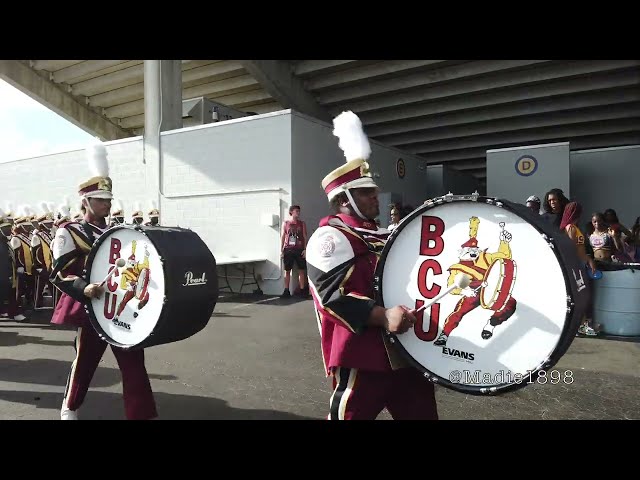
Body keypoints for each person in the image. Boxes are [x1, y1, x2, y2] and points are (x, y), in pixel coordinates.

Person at [306, 110, 438, 420]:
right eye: (365, 192)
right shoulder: (331, 237)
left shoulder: (383, 233)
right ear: (343, 199)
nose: (375, 197)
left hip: (409, 354)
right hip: (364, 358)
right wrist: (381, 316)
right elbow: (331, 298)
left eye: (373, 191)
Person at [50, 143, 157, 420]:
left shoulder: (118, 232)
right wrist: (82, 287)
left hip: (121, 305)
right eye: (101, 200)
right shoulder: (69, 232)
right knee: (84, 362)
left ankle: (140, 414)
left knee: (134, 363)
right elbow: (58, 273)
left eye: (109, 200)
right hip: (90, 307)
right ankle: (69, 408)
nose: (108, 205)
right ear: (86, 202)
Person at [559, 202, 598, 336]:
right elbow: (571, 249)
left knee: (581, 295)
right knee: (580, 296)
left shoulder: (574, 227)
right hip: (575, 266)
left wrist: (588, 259)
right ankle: (578, 325)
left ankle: (580, 325)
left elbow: (579, 250)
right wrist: (585, 261)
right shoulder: (570, 228)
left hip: (579, 264)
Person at [280, 205, 308, 298]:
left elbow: (304, 236)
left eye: (299, 211)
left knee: (301, 270)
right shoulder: (286, 223)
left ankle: (302, 290)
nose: (298, 213)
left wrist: (305, 249)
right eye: (296, 211)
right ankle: (286, 290)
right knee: (287, 270)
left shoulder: (302, 223)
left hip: (299, 249)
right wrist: (282, 250)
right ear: (291, 212)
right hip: (288, 249)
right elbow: (283, 236)